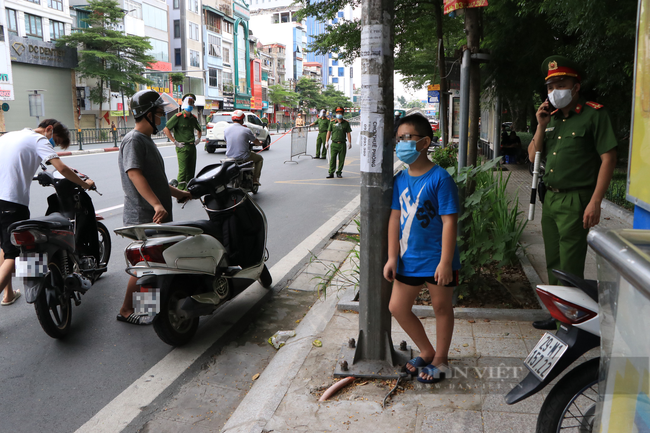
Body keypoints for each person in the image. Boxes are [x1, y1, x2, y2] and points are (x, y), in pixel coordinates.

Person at [528, 55, 617, 330]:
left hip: (577, 199)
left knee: (570, 262)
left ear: (576, 86)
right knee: (553, 257)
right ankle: (558, 315)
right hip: (551, 198)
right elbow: (533, 156)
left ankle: (572, 319)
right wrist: (541, 125)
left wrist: (596, 201)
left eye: (561, 83)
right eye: (551, 86)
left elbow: (608, 158)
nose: (555, 91)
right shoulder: (551, 119)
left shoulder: (594, 114)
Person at [384, 114, 461, 383]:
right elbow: (395, 217)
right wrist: (392, 256)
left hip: (437, 258)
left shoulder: (440, 178)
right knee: (397, 307)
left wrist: (446, 262)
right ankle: (426, 350)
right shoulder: (400, 179)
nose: (402, 143)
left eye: (408, 138)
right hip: (408, 258)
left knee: (441, 307)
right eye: (399, 139)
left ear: (425, 142)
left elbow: (449, 221)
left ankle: (440, 358)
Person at [0, 119, 95, 307]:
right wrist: (84, 184)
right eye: (56, 141)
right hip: (11, 202)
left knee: (4, 246)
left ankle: (8, 294)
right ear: (49, 129)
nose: (53, 145)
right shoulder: (38, 139)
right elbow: (61, 168)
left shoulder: (9, 136)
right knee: (13, 255)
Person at [117, 90, 191, 325]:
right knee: (145, 264)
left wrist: (182, 193)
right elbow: (135, 174)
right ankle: (128, 310)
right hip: (144, 215)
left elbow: (157, 179)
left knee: (154, 264)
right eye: (159, 113)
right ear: (147, 114)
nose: (161, 118)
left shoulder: (146, 140)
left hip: (154, 216)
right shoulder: (134, 140)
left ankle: (150, 310)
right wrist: (156, 203)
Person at [163, 93, 202, 191]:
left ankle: (188, 189)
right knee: (183, 170)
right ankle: (180, 190)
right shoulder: (178, 117)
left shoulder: (193, 118)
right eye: (189, 103)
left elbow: (199, 129)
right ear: (184, 104)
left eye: (192, 103)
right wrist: (174, 141)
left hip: (192, 146)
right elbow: (166, 129)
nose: (190, 106)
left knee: (191, 169)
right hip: (182, 146)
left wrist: (198, 139)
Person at [224, 110, 264, 185]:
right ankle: (255, 179)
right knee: (259, 159)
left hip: (229, 157)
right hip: (243, 157)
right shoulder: (246, 130)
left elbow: (227, 141)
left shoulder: (226, 130)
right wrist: (260, 143)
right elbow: (255, 141)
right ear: (242, 119)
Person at [325, 107, 352, 178]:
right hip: (334, 144)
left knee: (341, 159)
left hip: (342, 144)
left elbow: (348, 133)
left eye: (340, 113)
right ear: (336, 114)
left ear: (343, 114)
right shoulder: (332, 123)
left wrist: (349, 142)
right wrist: (326, 141)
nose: (339, 114)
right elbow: (329, 132)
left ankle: (339, 172)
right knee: (332, 159)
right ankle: (331, 172)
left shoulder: (346, 123)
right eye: (337, 113)